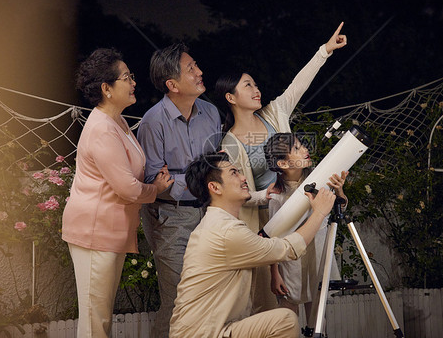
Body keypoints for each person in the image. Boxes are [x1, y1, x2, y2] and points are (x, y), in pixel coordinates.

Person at [216, 22, 347, 311]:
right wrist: (269, 196)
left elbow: (298, 84)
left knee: (315, 284)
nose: (256, 89)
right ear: (230, 97)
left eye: (255, 83)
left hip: (303, 206)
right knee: (281, 296)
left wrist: (324, 51)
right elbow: (237, 194)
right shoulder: (229, 144)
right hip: (267, 223)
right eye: (247, 85)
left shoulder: (274, 114)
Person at [62, 48, 173, 337]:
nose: (133, 82)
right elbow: (127, 188)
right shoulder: (102, 129)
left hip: (110, 232)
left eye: (131, 76)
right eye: (127, 77)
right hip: (94, 232)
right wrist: (156, 189)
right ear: (106, 89)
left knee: (101, 318)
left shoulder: (118, 122)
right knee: (94, 321)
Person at [169, 151, 337, 338]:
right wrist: (319, 212)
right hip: (203, 333)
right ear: (215, 187)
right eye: (234, 173)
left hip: (213, 329)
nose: (243, 177)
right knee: (285, 320)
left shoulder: (218, 224)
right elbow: (287, 249)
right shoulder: (226, 231)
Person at [137, 43, 222, 337]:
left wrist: (191, 180)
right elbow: (155, 183)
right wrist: (204, 182)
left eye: (196, 65)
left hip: (210, 215)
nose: (200, 72)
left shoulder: (211, 113)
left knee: (209, 300)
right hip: (170, 218)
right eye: (191, 69)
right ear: (172, 84)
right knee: (177, 302)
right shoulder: (152, 121)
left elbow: (216, 164)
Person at [264, 132, 348, 331]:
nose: (305, 150)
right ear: (283, 164)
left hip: (318, 255)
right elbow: (272, 238)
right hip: (291, 263)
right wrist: (274, 274)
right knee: (287, 318)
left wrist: (339, 192)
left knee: (318, 320)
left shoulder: (320, 181)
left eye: (303, 145)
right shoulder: (277, 196)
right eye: (297, 149)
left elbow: (339, 209)